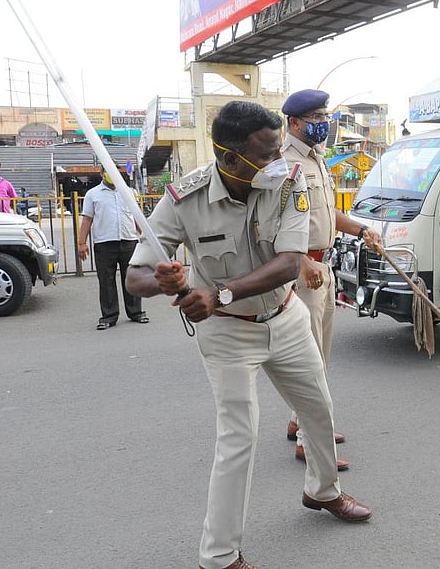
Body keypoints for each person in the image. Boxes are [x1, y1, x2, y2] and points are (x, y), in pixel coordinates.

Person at [125, 101, 372, 569]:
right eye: (267, 153)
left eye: (279, 150)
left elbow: (287, 261)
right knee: (238, 438)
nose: (278, 161)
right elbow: (134, 277)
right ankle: (218, 556)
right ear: (230, 158)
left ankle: (322, 491)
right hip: (226, 334)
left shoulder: (289, 183)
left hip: (285, 315)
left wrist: (215, 293)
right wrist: (164, 281)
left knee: (318, 409)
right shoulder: (185, 199)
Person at [280, 89, 383, 470]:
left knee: (321, 353)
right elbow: (275, 225)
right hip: (302, 271)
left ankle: (300, 420)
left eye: (325, 115)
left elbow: (324, 215)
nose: (324, 122)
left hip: (323, 269)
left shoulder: (316, 160)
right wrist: (302, 260)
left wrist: (360, 229)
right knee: (310, 362)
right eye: (316, 116)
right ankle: (311, 439)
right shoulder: (284, 163)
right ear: (294, 123)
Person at [78, 169, 149, 330]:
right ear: (102, 174)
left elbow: (135, 217)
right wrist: (82, 243)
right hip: (104, 243)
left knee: (131, 278)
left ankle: (136, 312)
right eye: (107, 171)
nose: (110, 174)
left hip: (128, 240)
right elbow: (87, 219)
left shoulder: (130, 192)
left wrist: (145, 237)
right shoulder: (93, 194)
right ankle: (109, 316)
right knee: (106, 281)